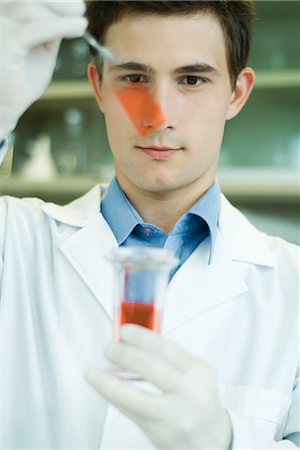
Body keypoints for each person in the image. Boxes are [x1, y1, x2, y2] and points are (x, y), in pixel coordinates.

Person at [0, 1, 299, 449]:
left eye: (192, 80)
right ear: (98, 86)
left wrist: (227, 443)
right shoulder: (14, 241)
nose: (159, 115)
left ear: (236, 93)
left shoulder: (293, 287)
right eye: (134, 78)